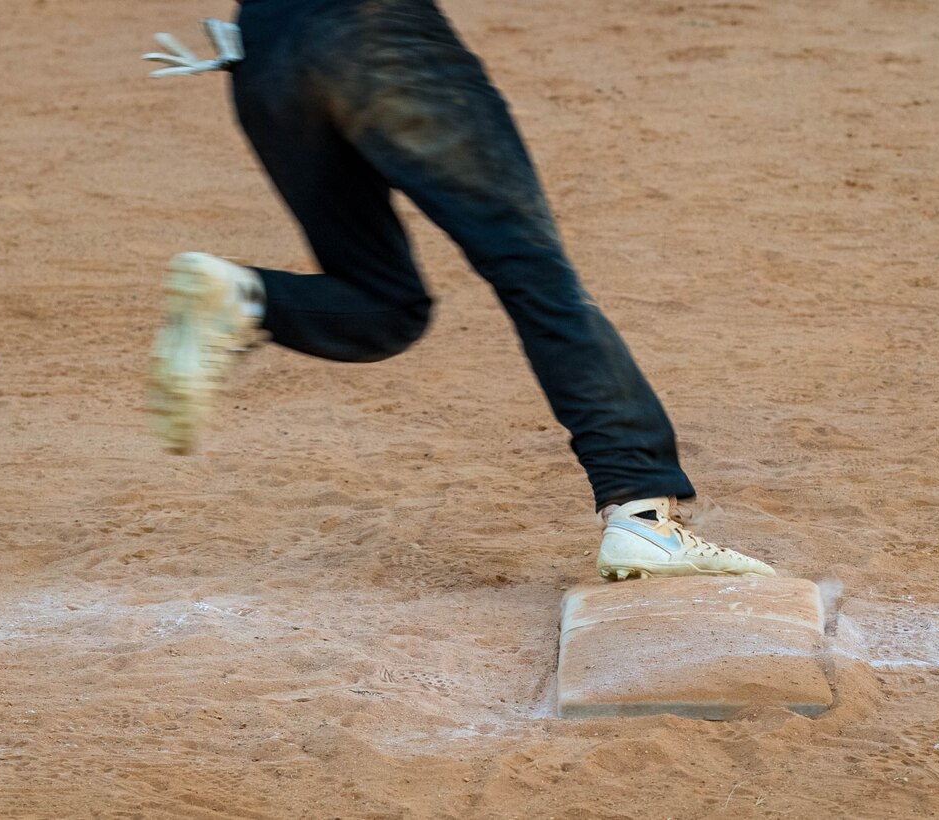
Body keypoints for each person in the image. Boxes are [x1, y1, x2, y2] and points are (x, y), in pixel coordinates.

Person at [143, 0, 775, 581]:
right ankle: (642, 512)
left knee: (383, 302)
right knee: (533, 270)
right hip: (380, 39)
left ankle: (247, 298)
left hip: (263, 50)